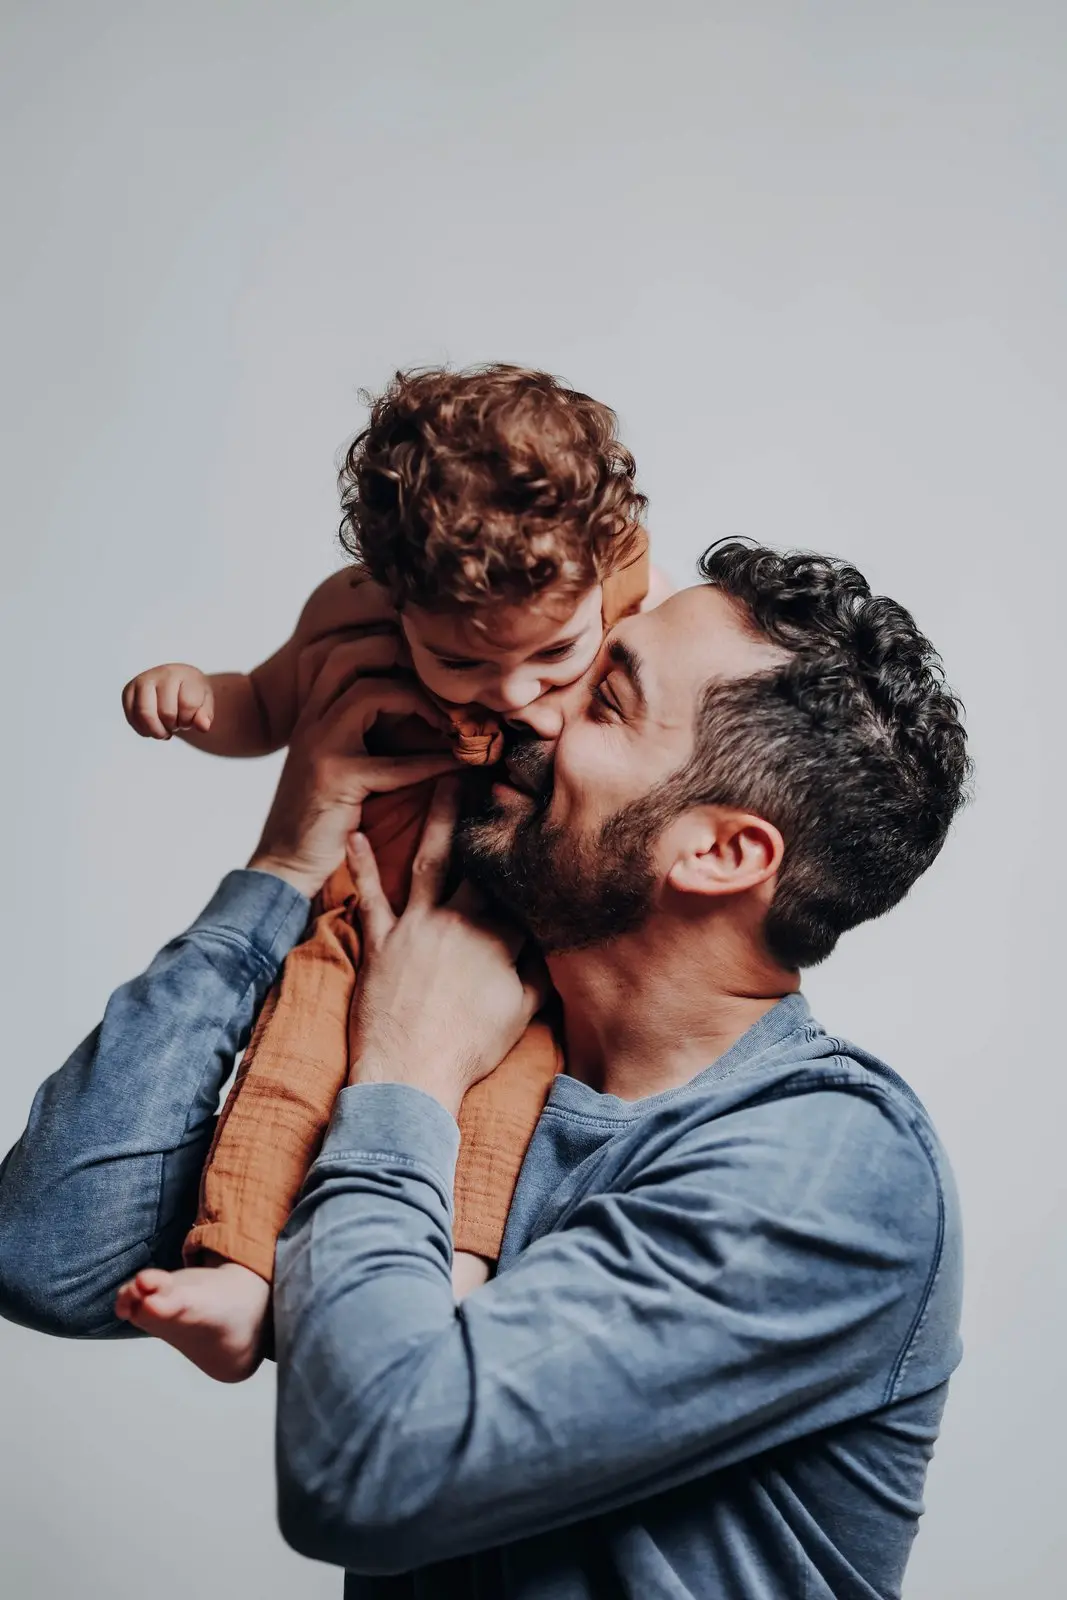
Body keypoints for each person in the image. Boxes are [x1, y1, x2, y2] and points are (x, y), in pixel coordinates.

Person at [0, 542, 970, 1599]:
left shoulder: (831, 1165)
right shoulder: (500, 1045)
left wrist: (408, 1066)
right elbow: (52, 1256)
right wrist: (284, 866)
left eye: (603, 698)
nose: (529, 705)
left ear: (720, 853)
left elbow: (367, 1475)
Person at [115, 362, 669, 1381]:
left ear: (603, 564)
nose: (515, 696)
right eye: (459, 662)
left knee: (514, 1089)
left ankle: (457, 1266)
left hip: (527, 929)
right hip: (358, 909)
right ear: (392, 592)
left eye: (555, 656)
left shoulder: (631, 581)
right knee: (290, 1067)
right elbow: (263, 705)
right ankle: (239, 1271)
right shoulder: (348, 613)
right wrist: (197, 697)